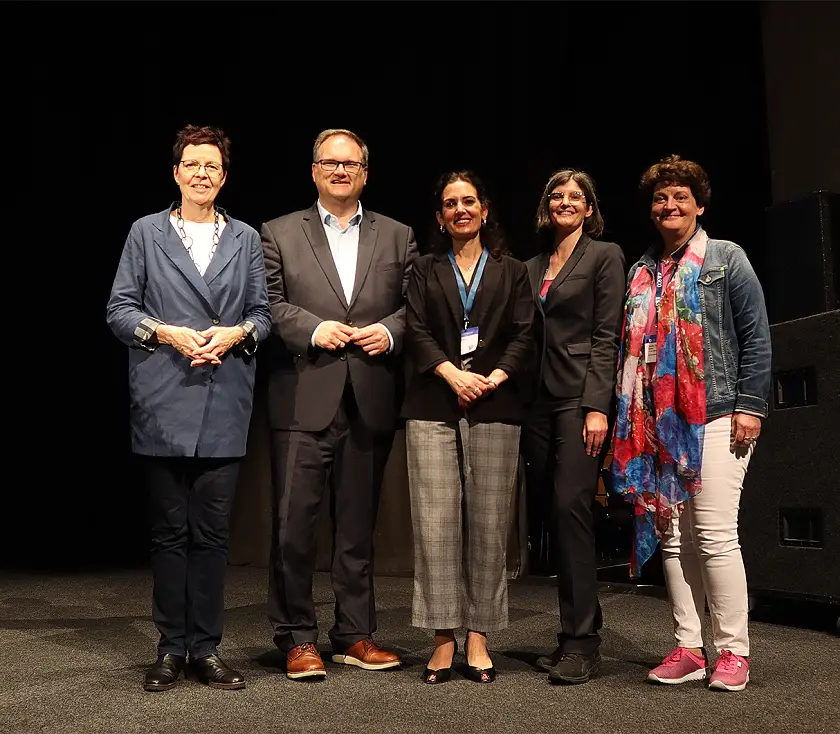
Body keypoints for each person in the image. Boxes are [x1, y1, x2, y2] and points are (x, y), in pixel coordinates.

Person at [106, 125, 271, 691]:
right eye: (192, 164)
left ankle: (206, 648)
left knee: (213, 535)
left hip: (224, 398)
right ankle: (170, 648)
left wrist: (234, 335)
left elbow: (263, 315)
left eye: (212, 166)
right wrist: (165, 333)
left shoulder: (245, 237)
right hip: (163, 398)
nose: (202, 174)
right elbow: (120, 310)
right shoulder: (145, 233)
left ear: (225, 176)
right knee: (169, 534)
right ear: (176, 171)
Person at [261, 128, 418, 680]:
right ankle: (297, 637)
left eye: (350, 163)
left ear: (365, 173)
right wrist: (314, 327)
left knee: (357, 529)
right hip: (305, 397)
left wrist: (390, 332)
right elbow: (269, 305)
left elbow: (414, 307)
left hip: (369, 397)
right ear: (313, 171)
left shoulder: (399, 235)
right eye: (330, 162)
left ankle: (354, 634)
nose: (340, 170)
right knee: (293, 528)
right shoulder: (278, 232)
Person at [611, 155, 771, 692]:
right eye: (661, 198)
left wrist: (751, 405)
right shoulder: (641, 270)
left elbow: (756, 338)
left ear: (699, 205)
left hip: (719, 412)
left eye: (680, 197)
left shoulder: (726, 259)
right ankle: (688, 645)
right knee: (672, 536)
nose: (669, 205)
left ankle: (732, 650)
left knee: (716, 534)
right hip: (657, 423)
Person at [402, 170, 533, 684]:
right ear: (440, 216)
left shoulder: (513, 270)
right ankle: (441, 637)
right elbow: (413, 328)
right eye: (450, 203)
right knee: (435, 526)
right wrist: (452, 373)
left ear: (484, 210)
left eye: (469, 201)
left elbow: (525, 332)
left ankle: (479, 636)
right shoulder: (422, 268)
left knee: (490, 524)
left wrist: (492, 377)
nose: (460, 210)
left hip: (496, 404)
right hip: (434, 401)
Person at [520, 170, 626, 684]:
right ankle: (575, 631)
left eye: (575, 197)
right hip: (535, 403)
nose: (565, 202)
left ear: (589, 208)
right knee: (552, 513)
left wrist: (597, 405)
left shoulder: (604, 256)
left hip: (579, 400)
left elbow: (608, 335)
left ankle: (582, 640)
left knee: (571, 508)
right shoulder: (531, 265)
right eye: (556, 196)